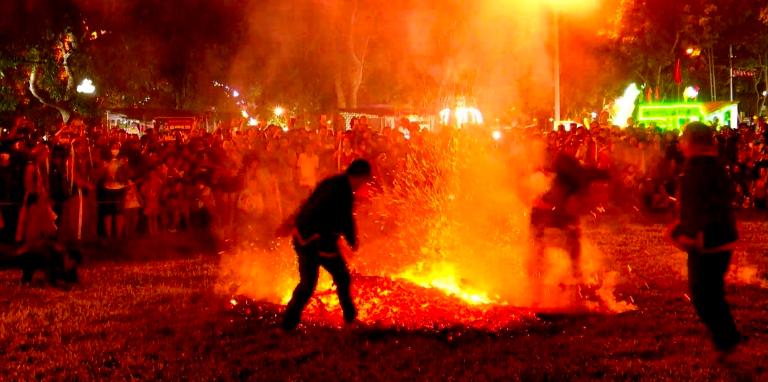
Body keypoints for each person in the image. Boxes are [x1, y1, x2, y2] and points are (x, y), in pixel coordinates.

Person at [667, 121, 742, 355]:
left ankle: (727, 339)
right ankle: (727, 338)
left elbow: (695, 207)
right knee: (713, 292)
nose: (680, 143)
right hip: (723, 238)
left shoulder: (695, 170)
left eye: (683, 138)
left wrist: (687, 234)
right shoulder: (716, 166)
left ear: (693, 142)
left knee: (702, 295)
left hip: (706, 242)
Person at [278, 159, 372, 331]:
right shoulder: (340, 190)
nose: (363, 185)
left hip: (318, 239)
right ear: (359, 177)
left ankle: (350, 318)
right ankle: (287, 325)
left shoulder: (335, 184)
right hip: (311, 241)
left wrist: (349, 239)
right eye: (365, 181)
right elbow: (337, 215)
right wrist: (351, 239)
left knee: (341, 276)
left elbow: (313, 205)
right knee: (308, 284)